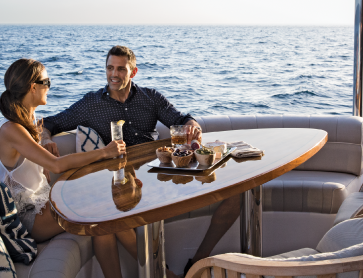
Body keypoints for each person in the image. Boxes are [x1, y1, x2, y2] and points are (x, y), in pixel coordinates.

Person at [40, 45, 241, 275]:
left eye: (121, 69)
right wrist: (46, 139)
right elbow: (50, 123)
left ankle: (197, 262)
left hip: (162, 175)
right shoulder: (91, 103)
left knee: (235, 195)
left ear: (133, 72)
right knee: (111, 220)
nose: (114, 74)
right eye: (109, 68)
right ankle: (167, 274)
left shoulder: (150, 98)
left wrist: (192, 126)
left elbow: (181, 118)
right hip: (124, 184)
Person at [0, 58, 139, 278]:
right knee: (103, 207)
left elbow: (40, 165)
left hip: (41, 200)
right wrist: (105, 152)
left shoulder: (27, 121)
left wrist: (44, 146)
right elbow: (56, 164)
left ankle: (154, 269)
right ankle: (159, 270)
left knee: (101, 213)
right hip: (28, 219)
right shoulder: (11, 129)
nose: (49, 87)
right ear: (33, 87)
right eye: (47, 82)